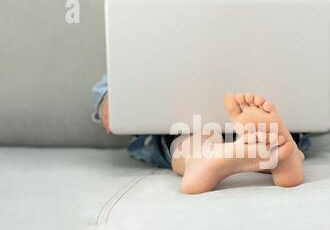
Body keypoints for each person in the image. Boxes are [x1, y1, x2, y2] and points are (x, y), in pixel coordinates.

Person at [92, 75, 310, 194]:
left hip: (255, 111)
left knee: (194, 140)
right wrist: (110, 104)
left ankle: (211, 158)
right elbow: (113, 82)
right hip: (185, 122)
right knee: (192, 134)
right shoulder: (153, 24)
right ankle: (277, 154)